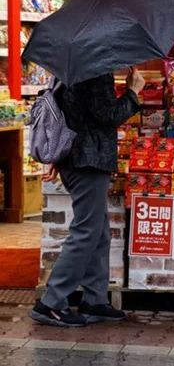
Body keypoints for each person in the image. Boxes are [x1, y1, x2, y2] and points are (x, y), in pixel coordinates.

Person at [31, 69, 145, 327]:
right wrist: (132, 92)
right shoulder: (94, 71)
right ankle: (51, 302)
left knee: (98, 230)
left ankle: (94, 299)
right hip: (88, 160)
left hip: (76, 158)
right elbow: (108, 115)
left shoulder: (69, 68)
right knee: (86, 231)